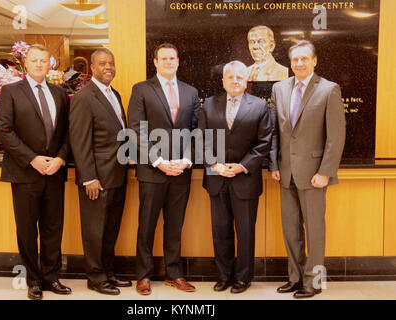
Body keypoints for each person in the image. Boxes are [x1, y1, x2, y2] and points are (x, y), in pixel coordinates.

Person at [269, 40, 346, 298]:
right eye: (295, 60)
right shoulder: (279, 89)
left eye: (304, 59)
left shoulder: (329, 90)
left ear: (314, 61)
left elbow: (336, 136)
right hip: (285, 172)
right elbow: (275, 132)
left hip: (314, 174)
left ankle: (314, 283)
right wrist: (274, 164)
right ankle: (296, 278)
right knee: (290, 230)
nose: (299, 64)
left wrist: (325, 171)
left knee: (315, 233)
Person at [0, 44, 72, 300]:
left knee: (53, 228)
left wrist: (61, 159)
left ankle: (51, 278)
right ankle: (33, 280)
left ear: (50, 64)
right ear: (25, 64)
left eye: (44, 60)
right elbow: (5, 132)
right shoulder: (10, 92)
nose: (39, 64)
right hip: (24, 172)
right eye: (34, 60)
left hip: (54, 173)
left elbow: (68, 132)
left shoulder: (60, 93)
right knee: (27, 229)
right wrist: (32, 159)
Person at [127, 43, 200, 295]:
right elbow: (137, 129)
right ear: (155, 62)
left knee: (175, 224)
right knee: (146, 225)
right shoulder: (141, 89)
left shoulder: (190, 92)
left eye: (173, 58)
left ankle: (174, 273)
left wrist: (186, 160)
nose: (169, 62)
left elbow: (195, 130)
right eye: (164, 58)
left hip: (181, 172)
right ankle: (143, 275)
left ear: (178, 61)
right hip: (152, 171)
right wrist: (159, 161)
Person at [198, 61, 272, 293]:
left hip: (245, 180)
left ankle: (243, 278)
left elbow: (264, 143)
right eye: (230, 77)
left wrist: (241, 167)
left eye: (240, 77)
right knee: (221, 231)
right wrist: (215, 165)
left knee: (245, 231)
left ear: (246, 80)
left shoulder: (260, 106)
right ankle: (224, 276)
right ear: (223, 80)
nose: (235, 81)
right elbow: (200, 139)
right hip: (217, 178)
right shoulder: (209, 105)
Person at [69, 48, 131, 295]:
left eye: (112, 63)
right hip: (96, 178)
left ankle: (108, 272)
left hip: (116, 175)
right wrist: (89, 177)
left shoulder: (114, 94)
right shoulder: (84, 97)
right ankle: (95, 277)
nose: (108, 67)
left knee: (109, 229)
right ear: (92, 68)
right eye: (103, 63)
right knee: (95, 230)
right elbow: (79, 141)